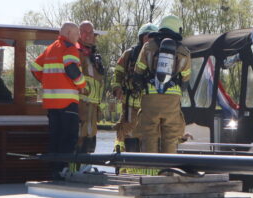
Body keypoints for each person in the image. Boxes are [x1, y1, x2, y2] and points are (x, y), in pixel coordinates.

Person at [29, 22, 86, 179]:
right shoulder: (70, 47)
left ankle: (54, 171)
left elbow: (34, 67)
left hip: (51, 103)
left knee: (55, 137)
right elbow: (71, 69)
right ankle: (63, 171)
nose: (79, 37)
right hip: (67, 102)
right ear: (68, 32)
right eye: (76, 33)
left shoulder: (50, 48)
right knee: (68, 138)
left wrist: (48, 81)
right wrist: (82, 85)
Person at [131, 15, 191, 155]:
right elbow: (185, 81)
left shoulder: (148, 46)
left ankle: (150, 170)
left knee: (149, 135)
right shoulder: (184, 52)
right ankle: (168, 171)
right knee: (170, 137)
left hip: (150, 100)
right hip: (171, 102)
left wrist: (142, 87)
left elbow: (138, 72)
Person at [111, 22, 158, 152]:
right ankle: (123, 166)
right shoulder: (129, 54)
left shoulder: (159, 56)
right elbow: (117, 73)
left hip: (151, 106)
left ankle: (146, 168)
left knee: (149, 138)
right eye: (146, 37)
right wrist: (117, 87)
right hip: (130, 107)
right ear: (141, 38)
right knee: (127, 138)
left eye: (152, 37)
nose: (148, 40)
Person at [77, 21, 105, 154]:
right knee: (79, 140)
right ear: (78, 34)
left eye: (90, 32)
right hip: (81, 105)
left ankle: (85, 170)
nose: (87, 35)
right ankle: (74, 171)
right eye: (84, 31)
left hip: (92, 107)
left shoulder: (93, 55)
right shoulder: (76, 52)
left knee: (90, 140)